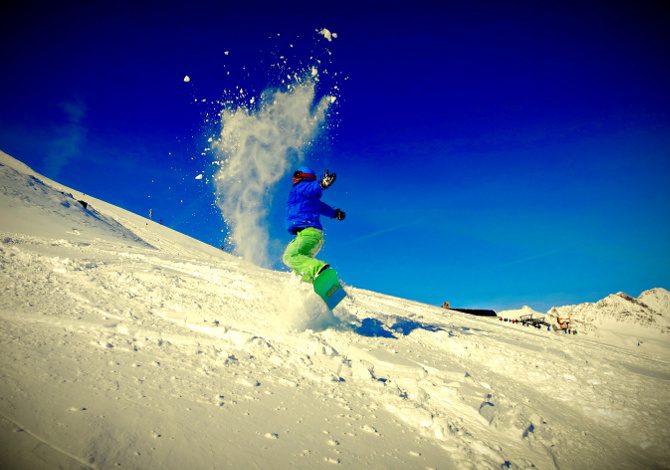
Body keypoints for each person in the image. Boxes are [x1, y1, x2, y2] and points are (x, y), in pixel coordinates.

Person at [282, 167, 345, 282]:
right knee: (301, 268)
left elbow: (311, 187)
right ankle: (321, 284)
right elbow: (323, 208)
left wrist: (322, 184)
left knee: (290, 256)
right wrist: (335, 213)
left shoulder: (300, 188)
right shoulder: (310, 200)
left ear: (305, 177)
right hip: (314, 236)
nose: (293, 178)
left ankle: (321, 271)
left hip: (308, 234)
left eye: (296, 175)